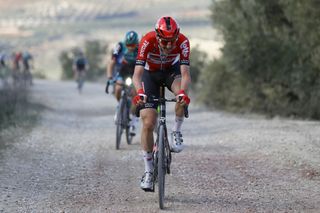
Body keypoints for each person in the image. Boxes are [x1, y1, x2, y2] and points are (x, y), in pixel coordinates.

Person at [132, 16, 191, 190]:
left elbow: (186, 73)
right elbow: (136, 75)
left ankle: (176, 132)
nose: (169, 46)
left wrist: (182, 93)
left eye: (172, 41)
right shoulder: (147, 40)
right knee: (148, 123)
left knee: (182, 93)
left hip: (171, 73)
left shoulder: (183, 42)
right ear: (157, 37)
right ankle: (149, 171)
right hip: (150, 76)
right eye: (165, 42)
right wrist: (140, 92)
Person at [105, 30, 140, 135]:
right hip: (123, 71)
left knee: (135, 95)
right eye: (128, 45)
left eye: (133, 45)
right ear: (125, 43)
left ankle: (134, 120)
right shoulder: (120, 46)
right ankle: (120, 105)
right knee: (118, 88)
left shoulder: (140, 49)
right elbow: (111, 63)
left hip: (135, 72)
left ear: (137, 43)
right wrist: (110, 77)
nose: (130, 47)